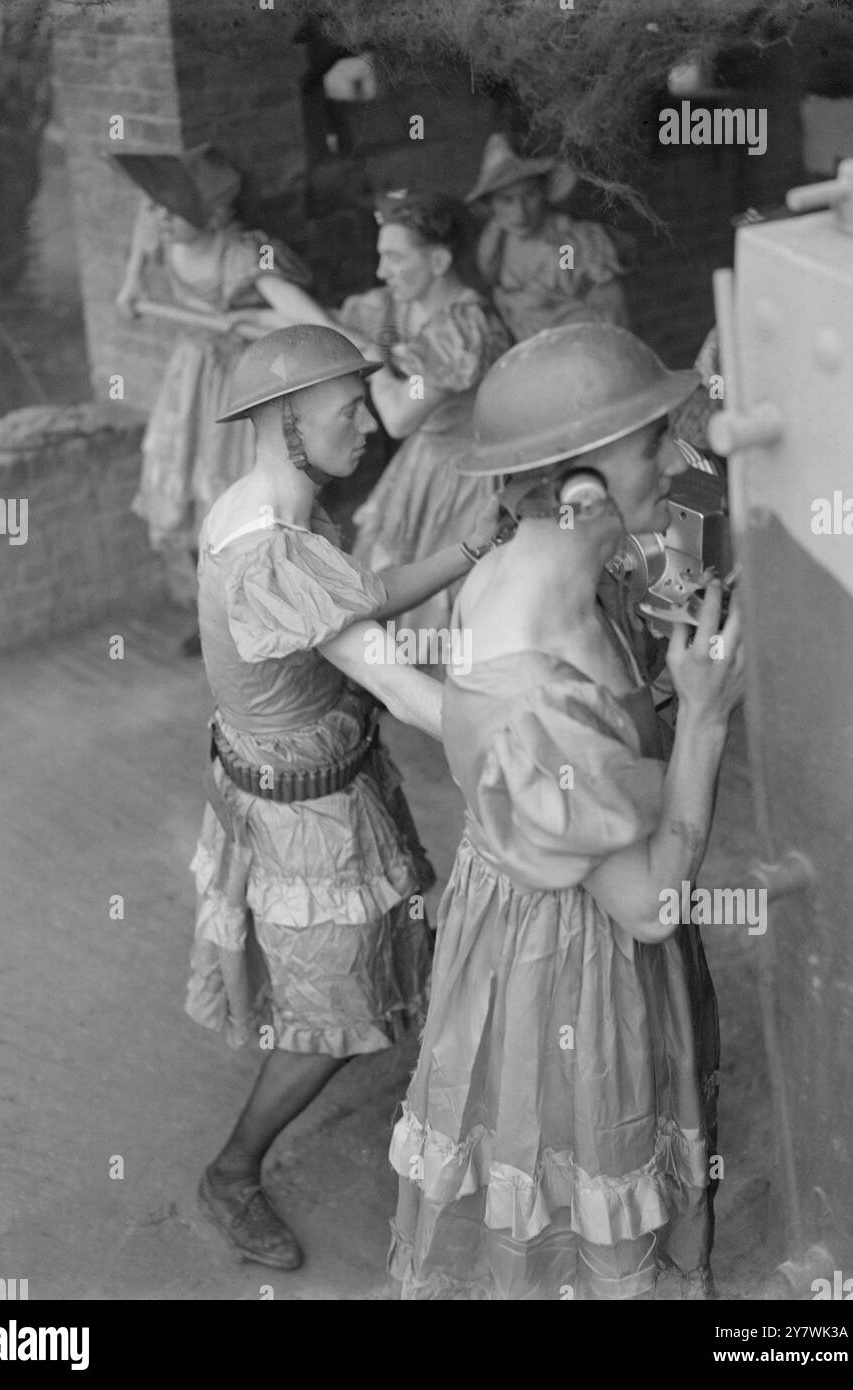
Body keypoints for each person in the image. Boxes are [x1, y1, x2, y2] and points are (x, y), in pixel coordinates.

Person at [388, 324, 743, 1300]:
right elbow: (649, 908)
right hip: (578, 960)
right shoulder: (534, 694)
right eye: (650, 445)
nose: (672, 459)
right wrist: (705, 718)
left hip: (517, 922)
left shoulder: (528, 561)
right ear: (579, 487)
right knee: (589, 1170)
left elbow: (671, 549)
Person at [188, 325, 504, 1271]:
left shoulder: (268, 510)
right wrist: (531, 747)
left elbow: (356, 600)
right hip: (306, 822)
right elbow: (400, 686)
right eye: (348, 409)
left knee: (382, 951)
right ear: (286, 419)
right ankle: (233, 1171)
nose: (370, 423)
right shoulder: (270, 552)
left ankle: (443, 1080)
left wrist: (459, 552)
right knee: (332, 1014)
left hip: (320, 783)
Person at [113, 144, 332, 619]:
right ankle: (213, 608)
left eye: (171, 209)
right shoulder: (167, 230)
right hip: (191, 373)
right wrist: (132, 283)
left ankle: (257, 605)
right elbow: (143, 226)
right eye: (155, 205)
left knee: (230, 484)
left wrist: (334, 334)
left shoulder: (237, 252)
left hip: (238, 380)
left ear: (211, 216)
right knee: (184, 476)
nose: (157, 217)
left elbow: (291, 305)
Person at [335, 190, 512, 637]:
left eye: (395, 258)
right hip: (424, 463)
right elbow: (332, 319)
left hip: (465, 475)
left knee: (446, 600)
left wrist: (371, 362)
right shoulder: (404, 305)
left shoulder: (462, 327)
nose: (381, 271)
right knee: (398, 579)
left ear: (438, 261)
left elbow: (397, 417)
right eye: (381, 257)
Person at [465, 132, 632, 343]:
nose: (520, 212)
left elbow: (612, 316)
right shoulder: (494, 246)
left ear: (544, 192)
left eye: (530, 195)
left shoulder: (574, 242)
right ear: (491, 204)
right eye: (507, 200)